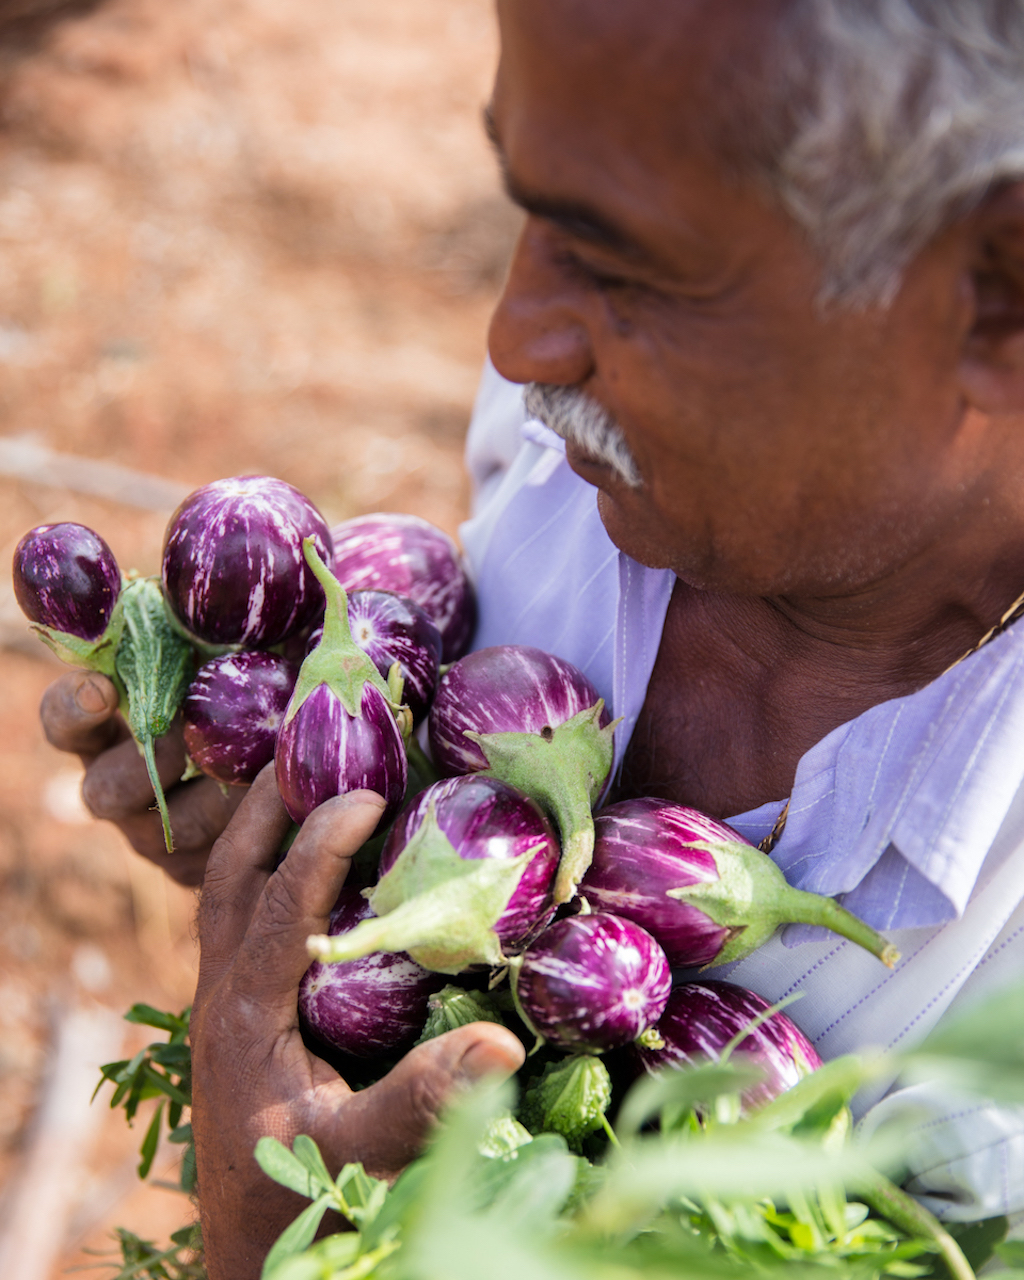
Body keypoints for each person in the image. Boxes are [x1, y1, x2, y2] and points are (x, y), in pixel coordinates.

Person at [38, 1, 1024, 1274]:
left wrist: (283, 1238)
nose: (514, 341)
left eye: (624, 265)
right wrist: (300, 858)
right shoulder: (590, 430)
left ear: (994, 292)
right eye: (530, 211)